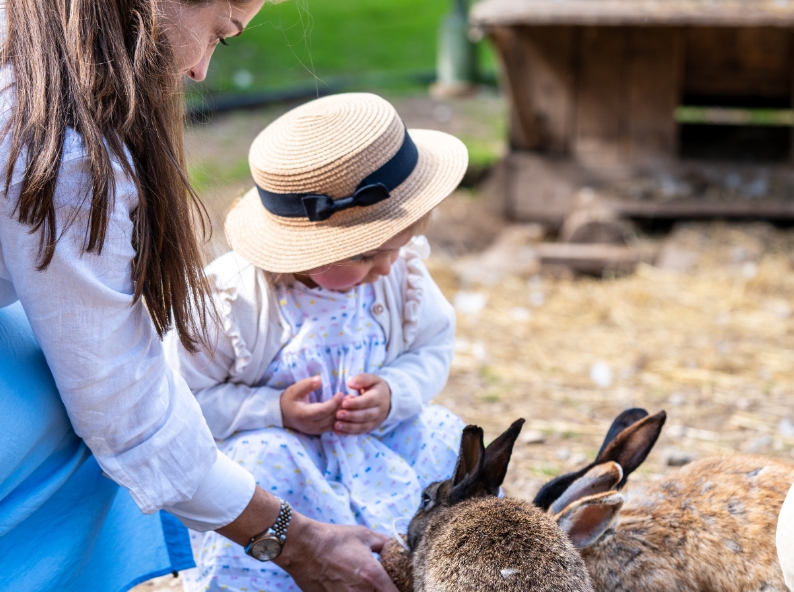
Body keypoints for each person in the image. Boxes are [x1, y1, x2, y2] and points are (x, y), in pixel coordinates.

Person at [0, 2, 399, 590]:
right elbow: (126, 415)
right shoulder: (64, 151)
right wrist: (296, 541)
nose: (200, 72)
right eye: (220, 34)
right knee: (75, 416)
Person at [165, 92, 468, 592]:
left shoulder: (400, 273)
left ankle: (438, 571)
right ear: (305, 248)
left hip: (376, 446)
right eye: (370, 255)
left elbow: (432, 345)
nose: (389, 266)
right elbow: (180, 402)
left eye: (400, 247)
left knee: (447, 433)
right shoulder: (228, 300)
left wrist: (394, 392)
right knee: (260, 461)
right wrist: (274, 410)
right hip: (291, 470)